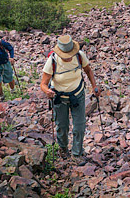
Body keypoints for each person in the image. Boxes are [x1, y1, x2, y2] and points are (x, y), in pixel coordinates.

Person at [40, 34, 100, 162]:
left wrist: (94, 86)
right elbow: (43, 84)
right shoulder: (53, 61)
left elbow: (88, 70)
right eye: (65, 56)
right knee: (62, 126)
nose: (67, 58)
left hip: (77, 95)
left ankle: (76, 153)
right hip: (59, 97)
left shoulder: (79, 56)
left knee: (80, 125)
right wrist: (47, 91)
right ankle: (63, 148)